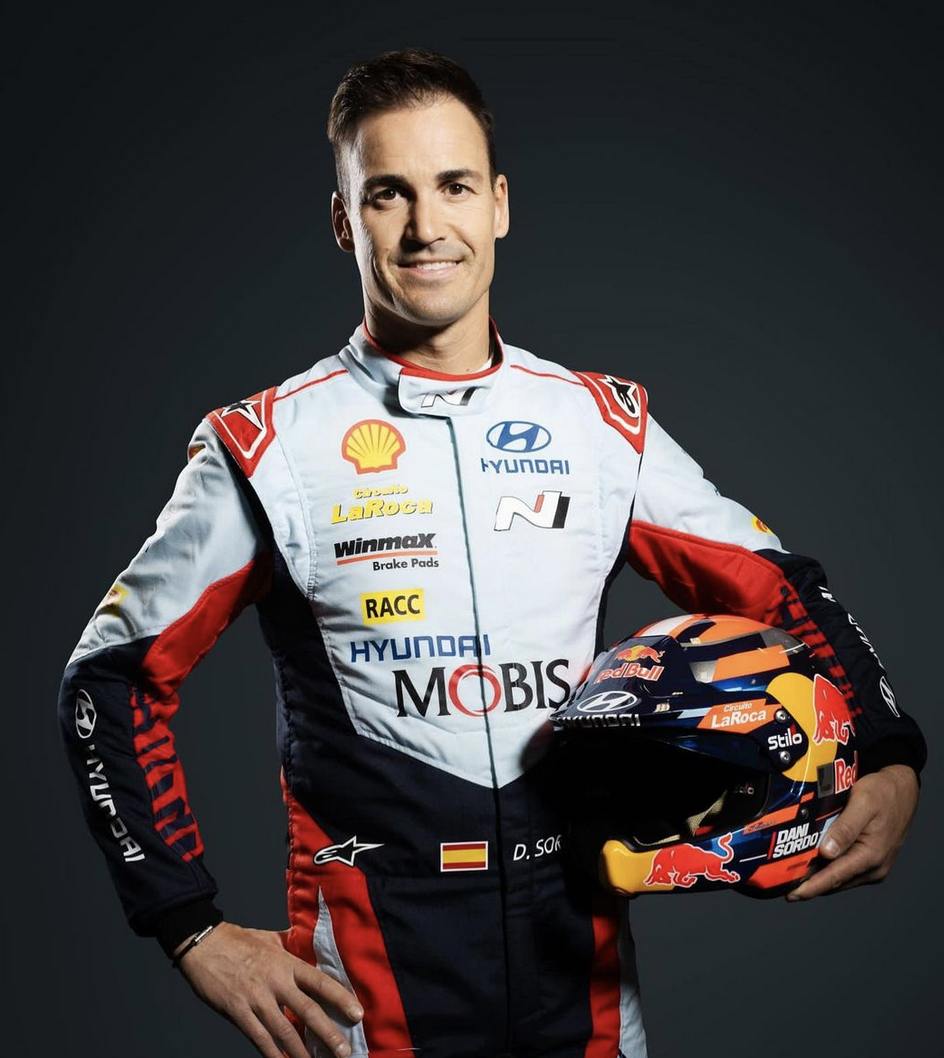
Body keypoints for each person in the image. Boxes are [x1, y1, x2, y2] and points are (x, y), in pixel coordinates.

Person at [59, 48, 926, 1058]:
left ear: (500, 204)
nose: (426, 226)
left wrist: (887, 750)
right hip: (370, 995)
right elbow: (108, 678)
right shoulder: (267, 446)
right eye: (387, 193)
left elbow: (778, 587)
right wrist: (187, 922)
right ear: (343, 220)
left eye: (454, 186)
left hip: (583, 972)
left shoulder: (598, 426)